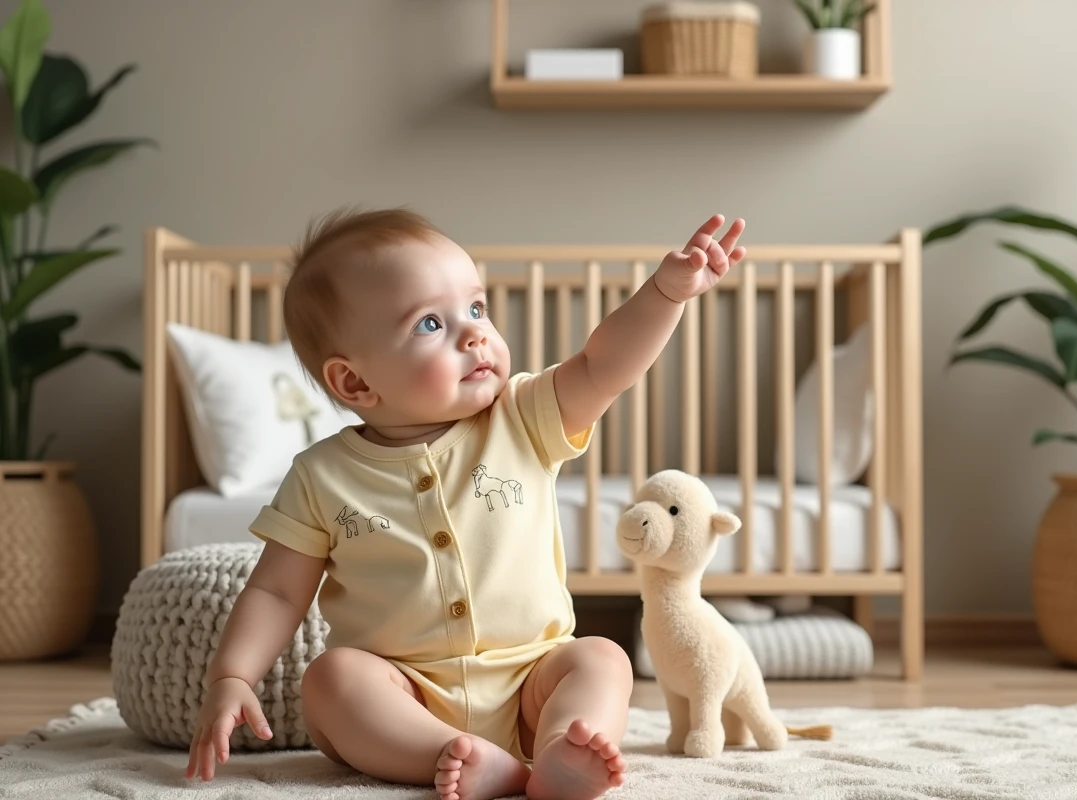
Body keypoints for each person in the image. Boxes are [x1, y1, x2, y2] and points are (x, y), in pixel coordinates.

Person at [185, 207, 746, 800]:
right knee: (330, 680)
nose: (474, 333)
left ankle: (561, 749)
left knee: (602, 659)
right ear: (354, 383)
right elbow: (276, 590)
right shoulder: (320, 475)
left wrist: (665, 294)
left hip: (533, 679)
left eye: (476, 309)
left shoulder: (522, 418)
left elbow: (603, 367)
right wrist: (232, 675)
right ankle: (452, 756)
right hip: (404, 692)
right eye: (430, 323)